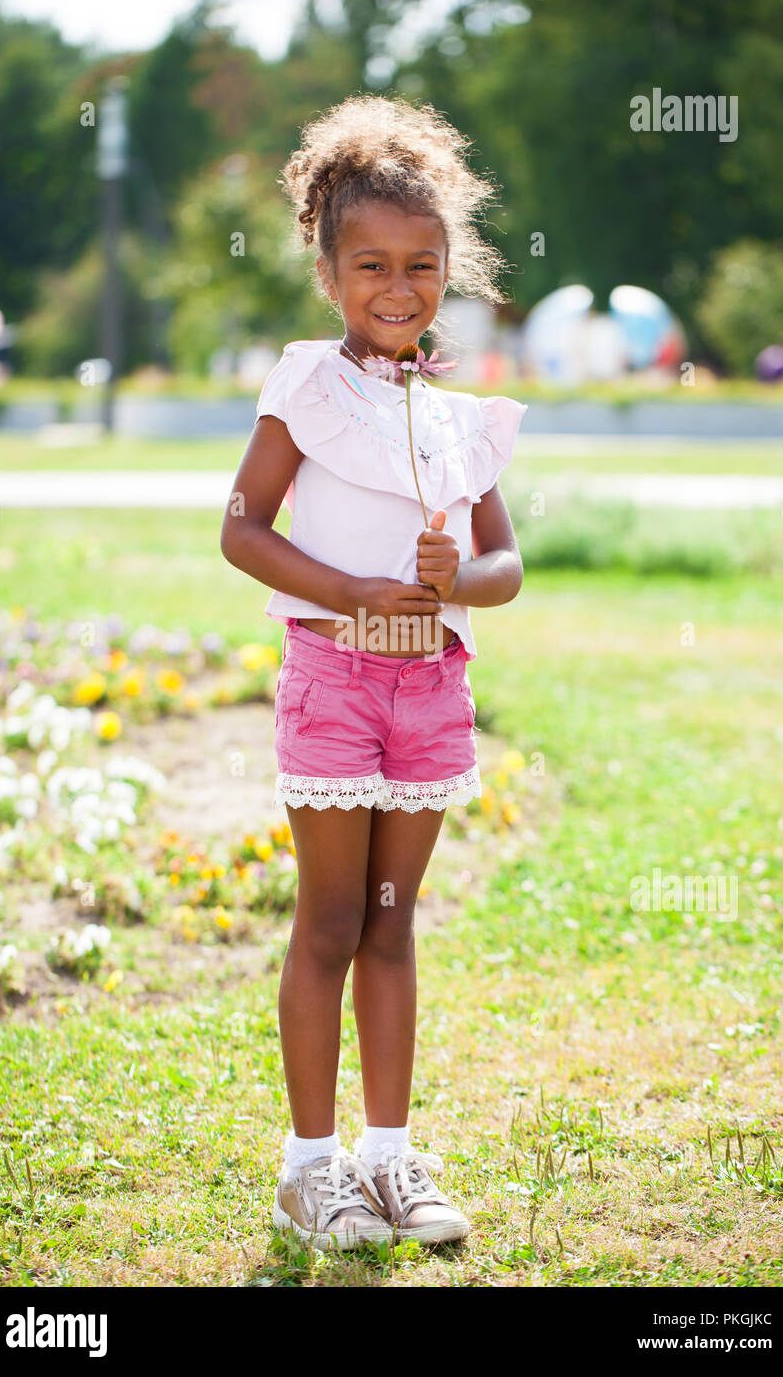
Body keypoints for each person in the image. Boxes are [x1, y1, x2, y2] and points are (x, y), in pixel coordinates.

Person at [220, 94, 527, 1251]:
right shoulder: (304, 389)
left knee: (393, 926)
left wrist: (457, 582)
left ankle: (389, 1158)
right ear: (326, 265)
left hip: (429, 693)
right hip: (334, 681)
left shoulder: (457, 420)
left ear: (449, 269)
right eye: (371, 265)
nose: (398, 288)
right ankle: (311, 1170)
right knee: (332, 918)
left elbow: (503, 566)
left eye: (421, 266)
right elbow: (242, 528)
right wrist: (349, 592)